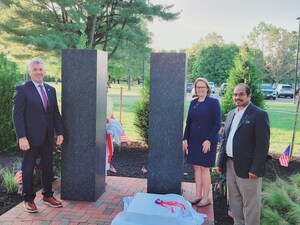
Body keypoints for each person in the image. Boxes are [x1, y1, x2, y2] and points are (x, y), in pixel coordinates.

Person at [12, 59, 64, 213]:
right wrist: (21, 137)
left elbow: (55, 113)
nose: (39, 72)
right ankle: (28, 199)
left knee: (48, 167)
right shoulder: (22, 89)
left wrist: (59, 132)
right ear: (30, 72)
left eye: (41, 69)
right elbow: (17, 115)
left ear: (45, 71)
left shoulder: (50, 89)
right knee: (28, 168)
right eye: (35, 69)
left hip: (47, 137)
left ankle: (48, 196)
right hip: (29, 138)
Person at [216, 83, 270, 225]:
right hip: (230, 165)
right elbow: (224, 139)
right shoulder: (231, 114)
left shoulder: (259, 115)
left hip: (248, 168)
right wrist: (219, 162)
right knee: (235, 202)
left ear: (249, 96)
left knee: (251, 205)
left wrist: (256, 168)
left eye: (241, 94)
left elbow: (262, 145)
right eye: (235, 94)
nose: (237, 97)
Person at [183, 77, 221, 207]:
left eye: (203, 87)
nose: (200, 89)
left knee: (205, 168)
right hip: (194, 140)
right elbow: (189, 122)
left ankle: (206, 198)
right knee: (196, 168)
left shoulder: (213, 102)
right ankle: (198, 195)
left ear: (207, 89)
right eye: (198, 87)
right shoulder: (193, 103)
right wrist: (185, 138)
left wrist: (209, 140)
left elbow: (217, 124)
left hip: (207, 142)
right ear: (195, 89)